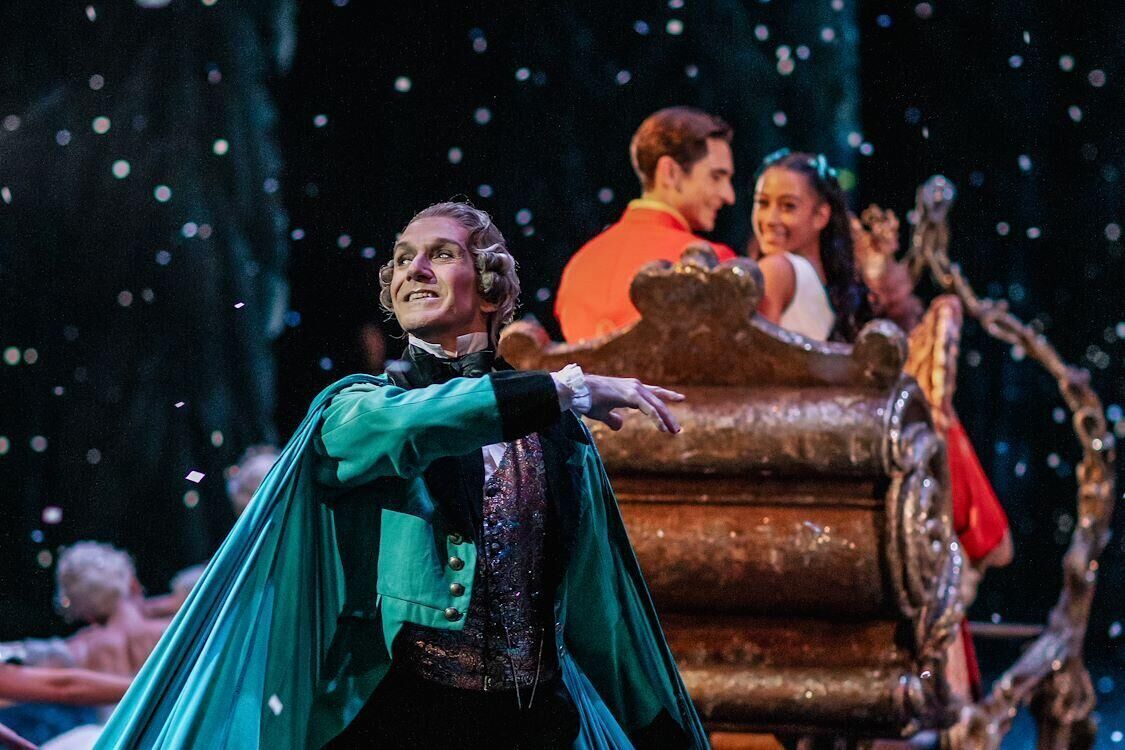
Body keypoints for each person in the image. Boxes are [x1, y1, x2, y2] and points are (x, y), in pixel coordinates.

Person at [95, 201, 707, 749]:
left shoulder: (559, 434)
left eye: (441, 254)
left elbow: (599, 611)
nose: (414, 270)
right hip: (400, 719)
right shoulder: (357, 408)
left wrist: (657, 731)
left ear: (489, 285)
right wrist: (561, 386)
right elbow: (418, 426)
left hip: (533, 724)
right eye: (403, 258)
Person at [750, 149, 1012, 700]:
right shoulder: (823, 285)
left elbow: (754, 374)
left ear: (822, 215)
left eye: (787, 205)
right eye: (762, 203)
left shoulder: (780, 271)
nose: (770, 218)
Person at [555, 106, 737, 342]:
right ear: (670, 172)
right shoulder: (712, 264)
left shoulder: (578, 267)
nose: (729, 196)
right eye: (716, 177)